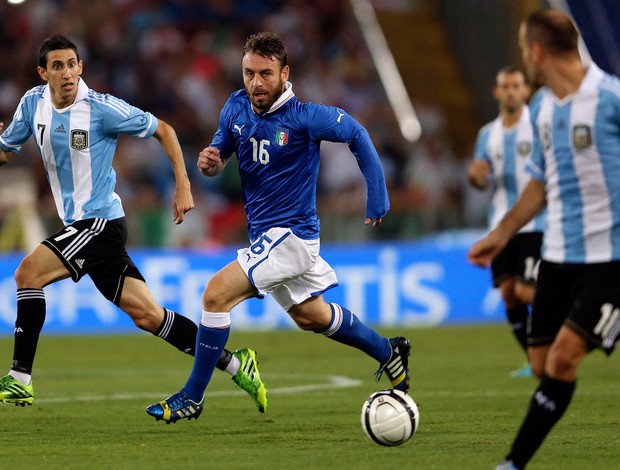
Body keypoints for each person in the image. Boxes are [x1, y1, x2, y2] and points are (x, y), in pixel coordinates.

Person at [145, 31, 411, 424]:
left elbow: (356, 133)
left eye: (265, 74)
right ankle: (389, 351)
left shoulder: (304, 117)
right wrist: (211, 164)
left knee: (215, 295)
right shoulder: (236, 106)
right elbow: (220, 157)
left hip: (292, 238)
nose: (255, 83)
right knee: (312, 317)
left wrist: (377, 194)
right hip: (267, 238)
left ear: (284, 73)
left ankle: (192, 397)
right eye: (249, 73)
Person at [0, 34, 267, 413]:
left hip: (99, 223)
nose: (66, 73)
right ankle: (238, 364)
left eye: (72, 64)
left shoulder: (100, 108)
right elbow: (5, 151)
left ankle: (20, 379)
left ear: (81, 67)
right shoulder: (32, 104)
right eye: (56, 66)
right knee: (149, 316)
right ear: (43, 72)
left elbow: (165, 130)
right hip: (81, 227)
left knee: (28, 274)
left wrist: (183, 185)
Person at [467, 9, 620, 470]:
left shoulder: (611, 98)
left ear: (536, 52)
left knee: (564, 361)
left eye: (522, 48)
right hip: (557, 256)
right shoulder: (543, 107)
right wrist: (501, 233)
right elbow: (539, 181)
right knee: (540, 363)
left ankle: (513, 463)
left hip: (609, 261)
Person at [468, 66, 545, 378]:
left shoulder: (539, 126)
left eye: (516, 85)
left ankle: (564, 312)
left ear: (525, 90)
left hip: (537, 223)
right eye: (505, 86)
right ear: (496, 92)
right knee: (510, 293)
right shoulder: (488, 134)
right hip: (500, 226)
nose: (511, 91)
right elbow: (478, 176)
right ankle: (533, 358)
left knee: (529, 292)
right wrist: (475, 178)